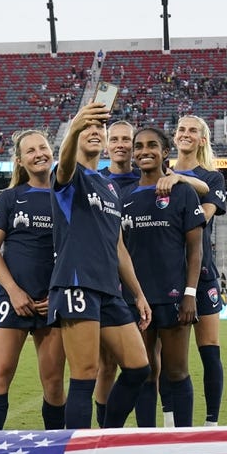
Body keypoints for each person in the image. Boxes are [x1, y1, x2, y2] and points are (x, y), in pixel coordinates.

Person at [49, 100, 151, 429]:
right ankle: (77, 453)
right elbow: (63, 164)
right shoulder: (68, 175)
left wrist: (138, 293)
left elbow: (118, 245)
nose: (94, 133)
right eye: (87, 129)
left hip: (110, 289)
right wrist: (76, 123)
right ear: (77, 135)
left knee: (139, 367)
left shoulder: (109, 187)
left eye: (99, 129)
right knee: (85, 376)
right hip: (77, 284)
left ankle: (109, 435)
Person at [0, 129, 66, 430]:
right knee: (1, 373)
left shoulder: (66, 195)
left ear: (52, 151)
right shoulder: (10, 197)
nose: (38, 154)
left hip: (52, 300)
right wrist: (14, 291)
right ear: (20, 160)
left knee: (54, 383)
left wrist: (58, 293)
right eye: (30, 151)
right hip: (11, 299)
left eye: (42, 147)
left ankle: (55, 452)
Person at [119, 126, 205, 427]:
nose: (144, 151)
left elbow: (195, 249)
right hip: (135, 299)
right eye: (138, 146)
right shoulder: (124, 196)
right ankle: (146, 438)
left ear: (164, 152)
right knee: (144, 371)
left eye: (152, 145)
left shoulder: (182, 192)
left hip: (173, 296)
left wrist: (190, 294)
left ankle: (185, 442)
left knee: (176, 371)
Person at [170, 115, 227, 426]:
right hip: (166, 274)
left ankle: (211, 424)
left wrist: (181, 180)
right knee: (170, 359)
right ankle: (169, 424)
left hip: (202, 274)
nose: (186, 134)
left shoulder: (213, 178)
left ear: (203, 139)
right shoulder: (159, 173)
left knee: (210, 352)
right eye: (181, 129)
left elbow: (200, 220)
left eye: (193, 130)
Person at [93, 120, 141, 427]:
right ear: (107, 144)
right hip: (106, 285)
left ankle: (144, 432)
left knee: (147, 367)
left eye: (128, 139)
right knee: (105, 366)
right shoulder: (94, 181)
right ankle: (106, 431)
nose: (121, 144)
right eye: (116, 139)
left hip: (145, 285)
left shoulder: (150, 178)